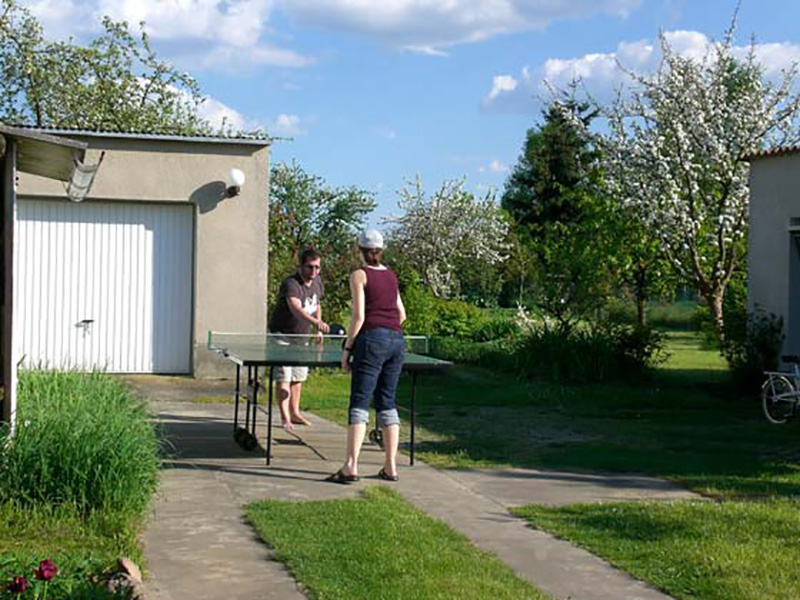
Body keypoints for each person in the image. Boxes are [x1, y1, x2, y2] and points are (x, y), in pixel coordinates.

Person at [327, 229, 406, 484]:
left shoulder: (359, 275)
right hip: (397, 341)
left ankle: (351, 466)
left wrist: (347, 348)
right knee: (387, 402)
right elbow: (401, 314)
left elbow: (359, 317)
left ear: (358, 249)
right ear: (380, 250)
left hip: (372, 341)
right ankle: (391, 466)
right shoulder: (391, 276)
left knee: (360, 401)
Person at [268, 247, 330, 430]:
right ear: (301, 266)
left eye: (317, 268)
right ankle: (285, 417)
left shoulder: (317, 282)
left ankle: (295, 413)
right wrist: (316, 323)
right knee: (284, 376)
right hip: (282, 336)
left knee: (298, 377)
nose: (314, 272)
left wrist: (317, 328)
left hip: (302, 338)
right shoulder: (291, 284)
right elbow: (296, 308)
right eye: (310, 267)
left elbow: (317, 304)